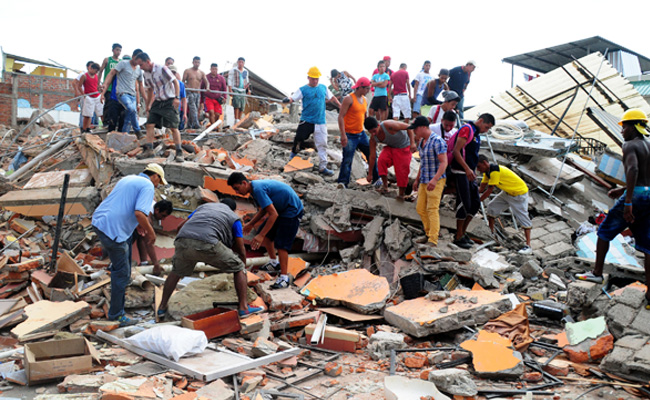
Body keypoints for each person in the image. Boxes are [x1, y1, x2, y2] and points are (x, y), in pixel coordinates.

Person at [576, 109, 650, 301]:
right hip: (647, 195)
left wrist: (627, 201)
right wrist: (623, 190)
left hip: (635, 198)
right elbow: (643, 175)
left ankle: (597, 272)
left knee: (604, 232)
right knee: (648, 246)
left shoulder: (630, 145)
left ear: (633, 127)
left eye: (624, 127)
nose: (623, 131)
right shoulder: (648, 144)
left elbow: (633, 169)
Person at [158, 199, 264, 317]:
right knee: (238, 267)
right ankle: (243, 308)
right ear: (233, 210)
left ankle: (162, 308)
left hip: (183, 240)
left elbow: (179, 227)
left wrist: (184, 245)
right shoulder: (234, 217)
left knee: (176, 272)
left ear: (219, 203)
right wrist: (242, 269)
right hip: (208, 241)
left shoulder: (203, 208)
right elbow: (241, 250)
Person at [92, 163, 167, 327]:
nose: (157, 185)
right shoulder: (147, 185)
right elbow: (139, 213)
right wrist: (151, 231)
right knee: (123, 273)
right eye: (158, 182)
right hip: (114, 230)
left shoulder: (128, 179)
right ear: (155, 176)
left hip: (100, 221)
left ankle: (114, 280)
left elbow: (126, 205)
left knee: (122, 261)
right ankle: (116, 315)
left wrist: (138, 224)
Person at [228, 173, 304, 290]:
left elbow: (273, 214)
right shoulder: (254, 189)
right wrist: (252, 223)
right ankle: (274, 263)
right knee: (268, 236)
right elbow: (265, 209)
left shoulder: (258, 189)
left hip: (291, 211)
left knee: (282, 245)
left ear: (244, 183)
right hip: (280, 209)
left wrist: (260, 235)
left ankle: (284, 278)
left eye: (237, 189)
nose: (237, 192)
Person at [448, 113, 495, 249]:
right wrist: (467, 169)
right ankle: (458, 236)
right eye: (486, 127)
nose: (486, 130)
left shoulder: (476, 134)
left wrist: (471, 170)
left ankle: (463, 233)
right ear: (480, 121)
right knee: (464, 203)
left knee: (474, 204)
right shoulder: (467, 129)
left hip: (469, 172)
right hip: (460, 171)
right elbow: (456, 151)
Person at [286, 66, 341, 176]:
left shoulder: (323, 88)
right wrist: (288, 100)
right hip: (307, 120)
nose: (315, 81)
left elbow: (332, 97)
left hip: (320, 121)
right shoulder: (303, 89)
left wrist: (340, 106)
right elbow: (293, 98)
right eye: (313, 79)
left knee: (322, 144)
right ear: (308, 78)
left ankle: (323, 166)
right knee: (299, 138)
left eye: (317, 79)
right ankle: (292, 157)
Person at [477, 155, 533, 254]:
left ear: (485, 163)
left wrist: (477, 202)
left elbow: (489, 190)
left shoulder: (495, 171)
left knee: (523, 217)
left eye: (479, 167)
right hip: (507, 192)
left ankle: (528, 246)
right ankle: (492, 232)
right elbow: (481, 188)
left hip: (518, 194)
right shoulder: (487, 172)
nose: (478, 170)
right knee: (492, 206)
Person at [136, 53, 183, 162]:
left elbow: (175, 82)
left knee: (173, 127)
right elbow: (150, 90)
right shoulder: (145, 74)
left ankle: (179, 152)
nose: (141, 68)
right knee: (150, 124)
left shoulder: (162, 69)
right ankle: (149, 150)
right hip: (158, 101)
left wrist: (177, 97)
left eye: (141, 64)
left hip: (169, 100)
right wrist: (148, 105)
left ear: (148, 62)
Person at [411, 116, 448, 246]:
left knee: (432, 209)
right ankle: (428, 234)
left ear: (422, 127)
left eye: (415, 129)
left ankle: (433, 239)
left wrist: (435, 179)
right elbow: (423, 162)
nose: (414, 132)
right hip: (424, 179)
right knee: (420, 208)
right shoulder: (422, 142)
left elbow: (444, 163)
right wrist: (417, 179)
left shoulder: (437, 141)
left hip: (436, 180)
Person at [336, 77, 379, 187]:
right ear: (360, 87)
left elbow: (364, 117)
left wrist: (370, 131)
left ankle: (376, 178)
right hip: (349, 134)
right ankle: (343, 181)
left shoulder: (364, 100)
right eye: (366, 88)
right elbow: (341, 117)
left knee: (371, 154)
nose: (368, 90)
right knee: (347, 159)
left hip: (361, 133)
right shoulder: (349, 99)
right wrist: (343, 135)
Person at [365, 117, 416, 200]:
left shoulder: (388, 125)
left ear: (378, 125)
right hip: (391, 147)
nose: (374, 134)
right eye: (371, 133)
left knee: (401, 171)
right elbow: (372, 156)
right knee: (381, 161)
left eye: (374, 131)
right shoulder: (373, 139)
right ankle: (385, 187)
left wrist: (412, 143)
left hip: (404, 147)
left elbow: (409, 127)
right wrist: (370, 173)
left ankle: (401, 194)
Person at [101, 49, 145, 135]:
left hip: (128, 99)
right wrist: (103, 93)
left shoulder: (136, 71)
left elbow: (138, 87)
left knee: (124, 122)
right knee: (112, 123)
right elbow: (110, 76)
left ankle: (123, 141)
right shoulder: (120, 68)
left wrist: (139, 103)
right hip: (116, 98)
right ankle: (137, 131)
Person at [133, 200, 173, 275]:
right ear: (157, 210)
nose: (163, 219)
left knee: (141, 235)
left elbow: (142, 238)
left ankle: (143, 262)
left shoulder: (153, 204)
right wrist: (156, 264)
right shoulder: (147, 215)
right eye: (163, 215)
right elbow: (148, 242)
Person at [98, 44, 123, 132]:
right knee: (107, 104)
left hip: (117, 87)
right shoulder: (107, 60)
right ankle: (105, 122)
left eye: (120, 50)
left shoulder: (121, 62)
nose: (118, 52)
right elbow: (100, 71)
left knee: (116, 106)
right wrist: (99, 83)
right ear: (113, 50)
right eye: (117, 50)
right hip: (108, 86)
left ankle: (114, 122)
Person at [182, 56, 209, 129]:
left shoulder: (201, 72)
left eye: (198, 62)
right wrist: (187, 88)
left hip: (198, 93)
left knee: (195, 109)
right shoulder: (187, 71)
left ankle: (189, 125)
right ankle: (196, 124)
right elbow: (183, 81)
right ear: (193, 62)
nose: (197, 64)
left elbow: (206, 81)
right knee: (193, 108)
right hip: (190, 92)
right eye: (195, 62)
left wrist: (207, 88)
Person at [79, 62, 103, 132]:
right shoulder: (84, 76)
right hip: (89, 97)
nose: (96, 72)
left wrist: (100, 89)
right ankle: (85, 128)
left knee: (101, 112)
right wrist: (83, 94)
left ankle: (105, 126)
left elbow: (97, 85)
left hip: (97, 96)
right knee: (88, 114)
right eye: (95, 71)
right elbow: (79, 86)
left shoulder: (96, 76)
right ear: (91, 68)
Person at [228, 57, 250, 123]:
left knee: (242, 105)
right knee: (237, 104)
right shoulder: (233, 70)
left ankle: (239, 119)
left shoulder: (245, 71)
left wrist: (248, 90)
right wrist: (230, 90)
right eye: (239, 62)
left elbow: (246, 81)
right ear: (237, 62)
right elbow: (230, 80)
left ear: (244, 63)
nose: (240, 63)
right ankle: (236, 119)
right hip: (235, 89)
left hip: (242, 90)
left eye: (242, 62)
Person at [169, 65, 187, 131]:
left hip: (176, 109)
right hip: (165, 108)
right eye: (171, 72)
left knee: (175, 127)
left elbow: (184, 99)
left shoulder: (180, 84)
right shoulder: (163, 82)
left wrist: (185, 114)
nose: (172, 74)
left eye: (174, 72)